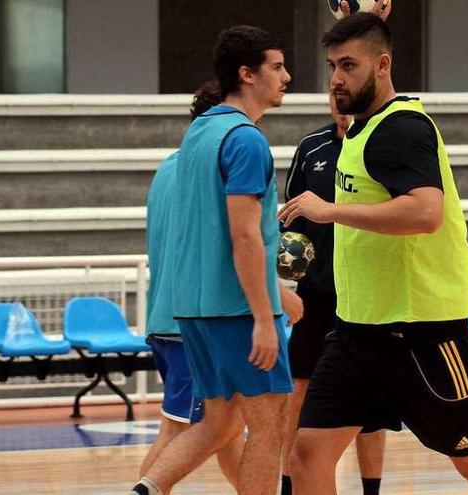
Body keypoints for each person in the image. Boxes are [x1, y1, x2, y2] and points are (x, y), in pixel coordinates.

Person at [278, 14, 468, 495]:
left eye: (349, 65)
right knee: (307, 457)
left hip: (421, 337)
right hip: (356, 334)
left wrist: (330, 211)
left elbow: (425, 212)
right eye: (332, 66)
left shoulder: (401, 128)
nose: (336, 78)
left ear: (383, 65)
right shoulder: (358, 133)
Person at [132, 25, 301, 495]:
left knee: (217, 423)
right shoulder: (246, 140)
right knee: (269, 425)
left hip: (191, 310)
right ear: (247, 74)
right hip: (237, 310)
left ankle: (145, 488)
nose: (286, 76)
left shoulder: (196, 135)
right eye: (277, 67)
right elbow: (244, 234)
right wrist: (266, 316)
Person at [138, 80, 244, 489]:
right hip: (192, 324)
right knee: (178, 430)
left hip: (165, 317)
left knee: (225, 431)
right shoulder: (212, 171)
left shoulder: (168, 167)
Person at [279, 93, 386, 495]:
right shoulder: (311, 148)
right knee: (298, 392)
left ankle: (371, 491)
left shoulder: (381, 143)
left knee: (371, 404)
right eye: (332, 92)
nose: (339, 101)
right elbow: (292, 215)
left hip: (365, 296)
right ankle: (290, 484)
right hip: (316, 296)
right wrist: (287, 250)